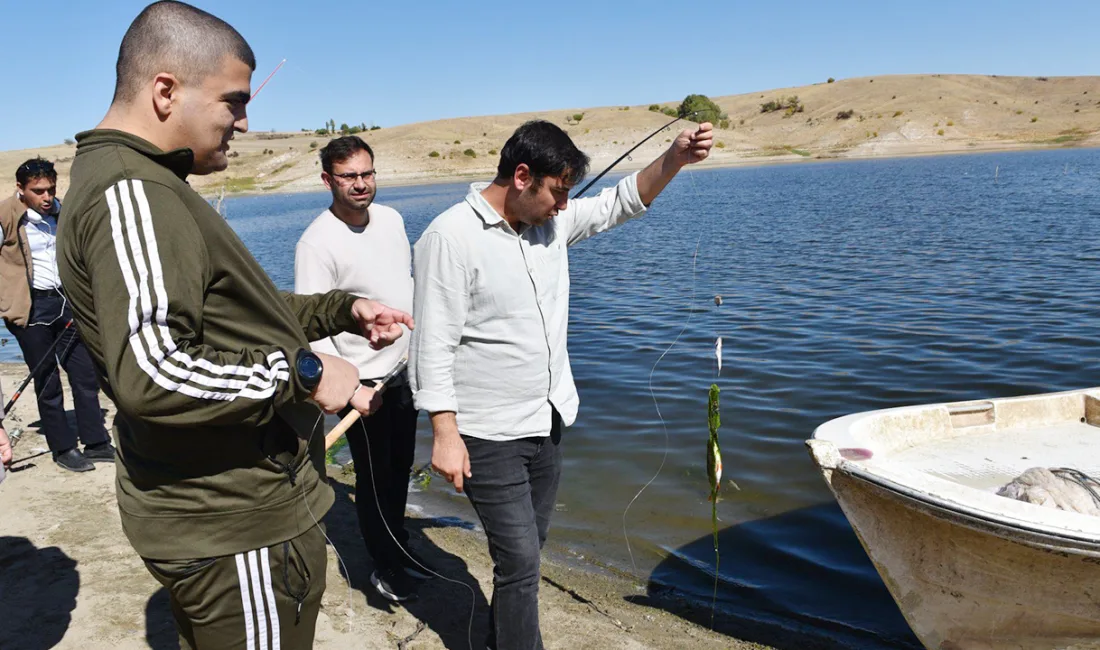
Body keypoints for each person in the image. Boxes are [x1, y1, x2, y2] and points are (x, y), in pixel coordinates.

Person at [55, 3, 413, 649]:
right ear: (166, 90)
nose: (244, 122)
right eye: (234, 101)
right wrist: (305, 374)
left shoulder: (144, 181)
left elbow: (233, 312)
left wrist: (341, 309)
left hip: (230, 517)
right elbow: (154, 371)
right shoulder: (134, 192)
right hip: (235, 524)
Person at [410, 118, 713, 648]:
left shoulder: (549, 222)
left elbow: (621, 201)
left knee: (527, 551)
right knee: (521, 560)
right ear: (522, 176)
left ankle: (502, 637)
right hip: (487, 433)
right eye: (558, 190)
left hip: (548, 419)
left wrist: (675, 158)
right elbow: (431, 343)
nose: (565, 204)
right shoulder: (449, 237)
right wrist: (444, 431)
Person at [294, 136, 426, 602]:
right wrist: (347, 389)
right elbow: (310, 327)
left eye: (367, 173)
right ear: (327, 180)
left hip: (404, 368)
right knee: (374, 478)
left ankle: (400, 546)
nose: (360, 184)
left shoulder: (391, 219)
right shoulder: (316, 242)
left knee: (400, 466)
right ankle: (384, 567)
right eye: (348, 176)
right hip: (363, 384)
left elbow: (405, 283)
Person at [0, 158, 112, 472]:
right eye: (38, 191)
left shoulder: (63, 213)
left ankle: (97, 443)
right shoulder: (6, 215)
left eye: (50, 189)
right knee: (47, 380)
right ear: (20, 189)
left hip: (67, 304)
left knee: (85, 376)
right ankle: (63, 448)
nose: (47, 197)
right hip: (29, 309)